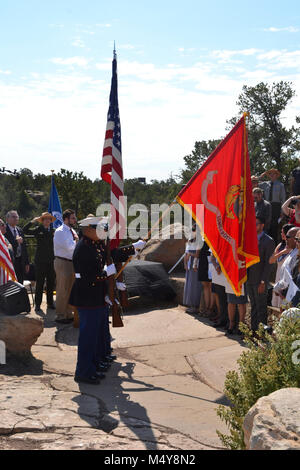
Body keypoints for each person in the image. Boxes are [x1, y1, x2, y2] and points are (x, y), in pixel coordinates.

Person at [69, 216, 146, 385]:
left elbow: (112, 254)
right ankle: (83, 372)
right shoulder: (83, 248)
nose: (102, 231)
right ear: (87, 229)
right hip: (88, 296)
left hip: (96, 295)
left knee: (96, 335)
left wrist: (133, 248)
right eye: (98, 227)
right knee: (88, 337)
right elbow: (89, 276)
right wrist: (106, 273)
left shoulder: (95, 245)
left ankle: (94, 365)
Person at [23, 212, 56, 313]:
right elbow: (25, 230)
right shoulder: (38, 229)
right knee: (40, 283)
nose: (47, 221)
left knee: (51, 283)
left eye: (49, 219)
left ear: (51, 221)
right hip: (40, 261)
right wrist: (32, 221)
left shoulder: (54, 231)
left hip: (51, 260)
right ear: (42, 221)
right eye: (45, 219)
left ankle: (50, 303)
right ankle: (38, 304)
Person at [247, 217, 275, 332]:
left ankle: (262, 333)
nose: (254, 226)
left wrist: (263, 282)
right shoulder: (250, 238)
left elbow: (268, 265)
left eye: (256, 224)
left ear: (262, 225)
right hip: (250, 279)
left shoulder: (268, 241)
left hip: (260, 281)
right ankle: (253, 332)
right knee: (253, 306)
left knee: (261, 308)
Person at [53, 209, 78, 324]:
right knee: (62, 289)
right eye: (72, 218)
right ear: (66, 219)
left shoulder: (72, 231)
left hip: (71, 262)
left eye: (74, 218)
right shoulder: (60, 231)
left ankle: (68, 313)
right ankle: (61, 315)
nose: (75, 220)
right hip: (62, 262)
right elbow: (69, 247)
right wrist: (77, 242)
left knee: (70, 289)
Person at [269, 223, 295, 307]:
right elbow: (271, 260)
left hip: (286, 278)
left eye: (283, 232)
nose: (281, 234)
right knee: (276, 303)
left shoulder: (294, 248)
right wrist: (282, 252)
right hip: (278, 277)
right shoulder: (280, 246)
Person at [258, 169, 286, 244]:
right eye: (270, 174)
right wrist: (262, 175)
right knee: (266, 225)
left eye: (274, 174)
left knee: (274, 227)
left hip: (276, 206)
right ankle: (264, 244)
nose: (272, 175)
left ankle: (274, 245)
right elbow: (255, 182)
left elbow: (283, 199)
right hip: (266, 205)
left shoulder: (280, 185)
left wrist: (282, 211)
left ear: (277, 175)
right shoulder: (264, 184)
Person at [183, 224, 203, 314]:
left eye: (194, 230)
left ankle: (195, 306)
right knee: (189, 284)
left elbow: (197, 255)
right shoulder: (189, 241)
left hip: (195, 265)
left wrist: (191, 257)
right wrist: (185, 264)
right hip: (189, 265)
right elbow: (186, 253)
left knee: (195, 285)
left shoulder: (199, 241)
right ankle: (191, 305)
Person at [5, 210, 29, 284]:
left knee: (20, 282)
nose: (16, 219)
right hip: (10, 261)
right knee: (11, 283)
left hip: (20, 261)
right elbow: (6, 246)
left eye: (17, 217)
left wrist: (27, 262)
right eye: (13, 217)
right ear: (7, 219)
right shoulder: (4, 230)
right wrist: (16, 242)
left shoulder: (19, 230)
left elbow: (24, 247)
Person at [196, 241, 214, 317]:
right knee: (207, 286)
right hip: (205, 262)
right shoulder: (201, 237)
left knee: (210, 287)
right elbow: (197, 252)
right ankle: (207, 309)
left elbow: (197, 252)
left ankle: (210, 309)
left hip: (211, 262)